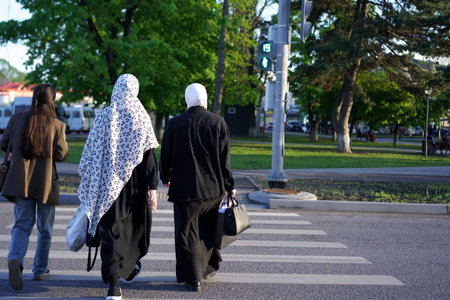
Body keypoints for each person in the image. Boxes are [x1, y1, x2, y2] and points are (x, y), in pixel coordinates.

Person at [77, 74, 159, 300]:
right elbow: (149, 156)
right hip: (134, 187)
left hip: (107, 185)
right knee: (133, 231)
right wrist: (152, 187)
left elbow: (90, 153)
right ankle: (126, 270)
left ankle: (114, 283)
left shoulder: (104, 116)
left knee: (110, 232)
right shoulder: (141, 118)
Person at [159, 83, 235, 292]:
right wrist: (230, 185)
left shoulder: (175, 124)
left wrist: (165, 176)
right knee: (207, 230)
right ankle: (205, 269)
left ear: (187, 98)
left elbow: (166, 155)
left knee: (186, 232)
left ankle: (192, 276)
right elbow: (224, 160)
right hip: (213, 189)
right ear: (204, 98)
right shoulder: (218, 123)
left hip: (184, 189)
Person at [1, 84, 69, 291]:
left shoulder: (17, 119)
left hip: (20, 181)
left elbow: (5, 144)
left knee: (22, 225)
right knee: (45, 229)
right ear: (52, 101)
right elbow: (62, 154)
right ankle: (40, 270)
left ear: (33, 98)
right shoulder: (57, 125)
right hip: (46, 183)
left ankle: (16, 259)